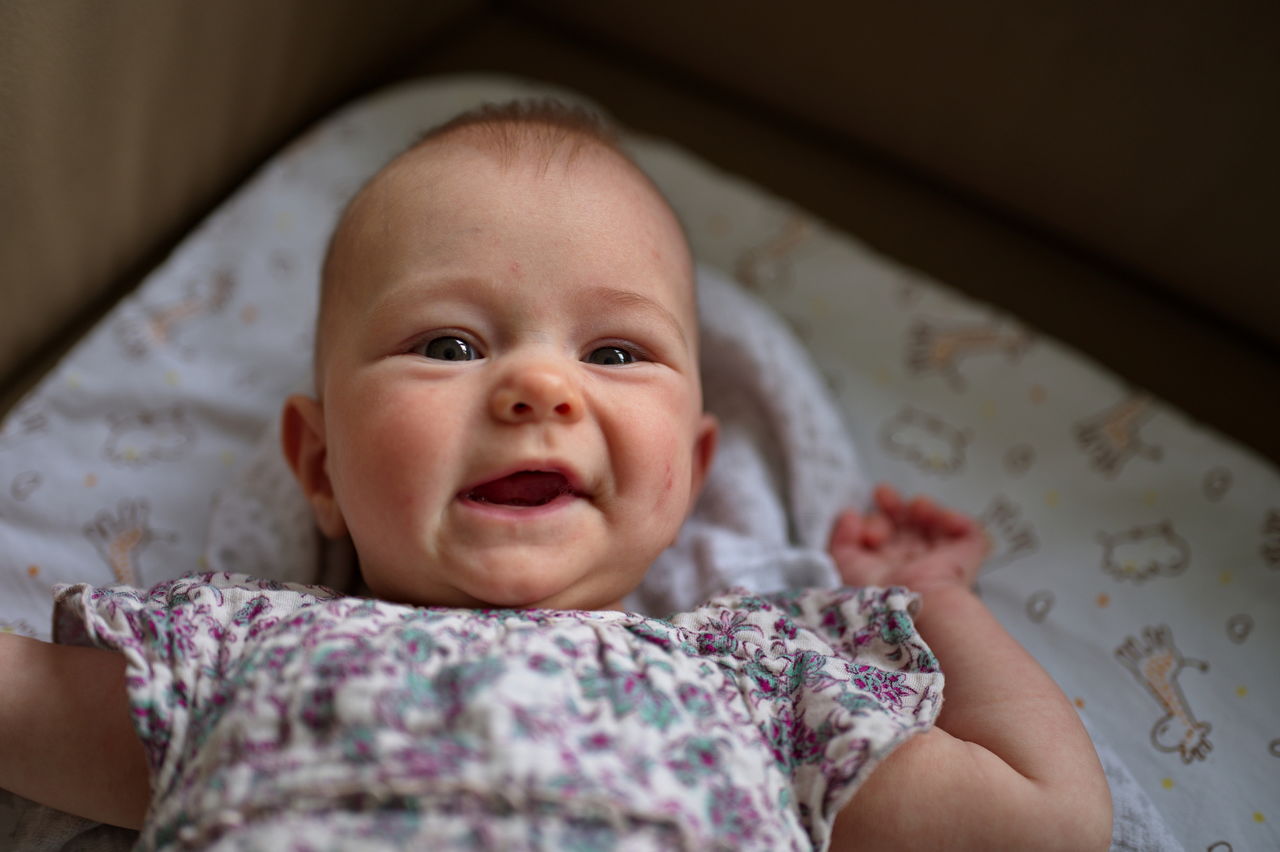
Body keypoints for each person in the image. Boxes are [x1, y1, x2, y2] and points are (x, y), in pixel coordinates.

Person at [0, 100, 1111, 849]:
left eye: (613, 353)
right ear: (321, 464)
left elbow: (1042, 821)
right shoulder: (227, 650)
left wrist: (944, 604)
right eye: (447, 345)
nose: (538, 388)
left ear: (691, 471)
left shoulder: (767, 686)